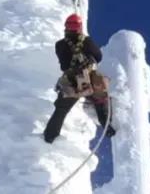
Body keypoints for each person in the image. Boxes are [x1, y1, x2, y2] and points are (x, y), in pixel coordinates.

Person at [43, 14, 116, 143]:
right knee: (100, 99)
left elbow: (64, 65)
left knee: (61, 109)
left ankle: (50, 137)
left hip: (71, 81)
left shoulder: (60, 45)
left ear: (66, 27)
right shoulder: (87, 41)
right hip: (88, 79)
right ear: (80, 27)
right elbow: (99, 57)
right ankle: (106, 124)